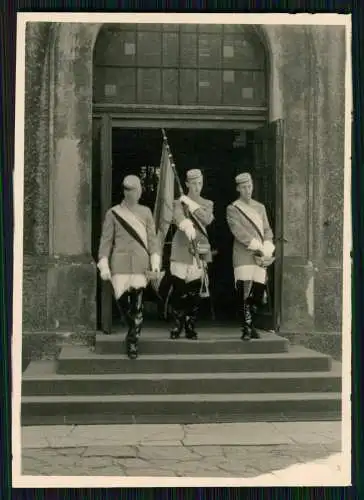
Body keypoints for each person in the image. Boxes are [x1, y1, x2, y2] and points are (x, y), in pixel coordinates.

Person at [97, 175, 161, 359]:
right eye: (133, 190)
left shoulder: (146, 212)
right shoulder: (113, 213)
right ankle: (132, 331)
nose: (137, 193)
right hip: (120, 266)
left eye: (138, 189)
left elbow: (152, 240)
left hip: (141, 264)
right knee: (125, 305)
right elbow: (106, 241)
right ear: (126, 192)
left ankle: (132, 341)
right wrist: (104, 263)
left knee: (138, 305)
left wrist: (155, 261)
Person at [226, 172, 275, 341]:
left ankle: (251, 323)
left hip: (260, 254)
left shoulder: (260, 207)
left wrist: (268, 245)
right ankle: (247, 327)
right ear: (238, 188)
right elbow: (238, 231)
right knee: (245, 291)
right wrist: (256, 244)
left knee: (258, 291)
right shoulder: (233, 208)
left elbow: (267, 229)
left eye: (250, 186)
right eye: (244, 187)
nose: (248, 190)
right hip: (243, 254)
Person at [168, 169, 214, 340]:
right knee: (179, 291)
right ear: (186, 184)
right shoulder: (178, 202)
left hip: (199, 251)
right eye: (193, 183)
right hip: (180, 249)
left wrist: (192, 204)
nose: (197, 187)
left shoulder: (207, 203)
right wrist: (185, 223)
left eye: (200, 183)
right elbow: (177, 216)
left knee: (195, 292)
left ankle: (190, 324)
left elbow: (207, 218)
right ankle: (177, 324)